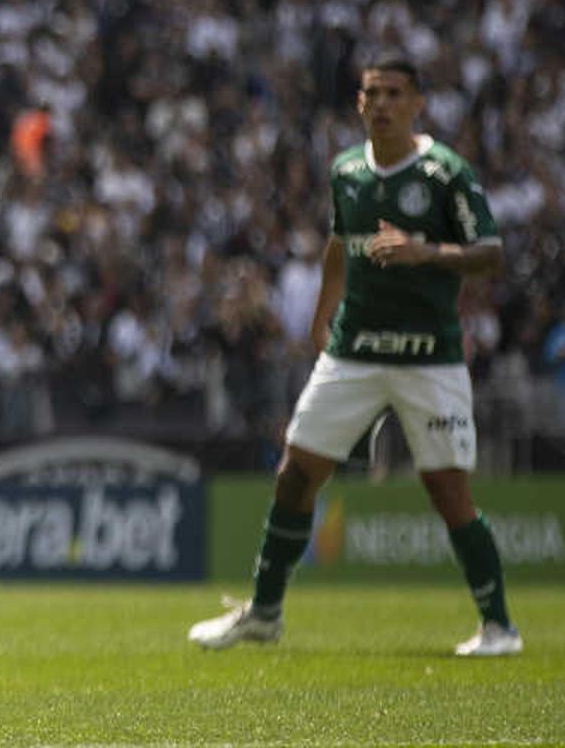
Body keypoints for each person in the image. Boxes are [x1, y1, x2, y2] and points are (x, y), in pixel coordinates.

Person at [188, 56, 519, 658]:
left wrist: (427, 253)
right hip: (355, 353)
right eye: (373, 94)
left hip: (429, 357)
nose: (384, 104)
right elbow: (340, 247)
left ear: (417, 102)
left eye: (395, 93)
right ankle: (263, 613)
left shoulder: (446, 174)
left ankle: (499, 626)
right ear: (359, 105)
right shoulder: (346, 171)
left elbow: (491, 254)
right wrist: (322, 316)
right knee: (295, 473)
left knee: (448, 492)